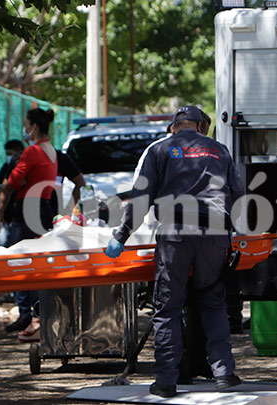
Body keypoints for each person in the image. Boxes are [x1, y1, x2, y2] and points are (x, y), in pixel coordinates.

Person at [105, 106, 245, 398]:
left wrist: (121, 235)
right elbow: (238, 194)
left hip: (176, 233)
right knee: (212, 301)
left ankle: (166, 380)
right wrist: (235, 229)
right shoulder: (219, 150)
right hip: (215, 234)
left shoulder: (160, 150)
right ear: (199, 125)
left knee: (168, 307)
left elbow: (141, 197)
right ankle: (224, 373)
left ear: (175, 126)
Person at [0, 108, 58, 334]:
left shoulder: (32, 151)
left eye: (27, 124)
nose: (25, 128)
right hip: (44, 208)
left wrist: (3, 206)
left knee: (20, 259)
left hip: (28, 208)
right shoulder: (51, 150)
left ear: (33, 126)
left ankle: (26, 313)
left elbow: (12, 182)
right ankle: (39, 312)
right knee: (40, 261)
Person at [0, 140, 25, 248]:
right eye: (7, 154)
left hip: (19, 217)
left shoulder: (24, 168)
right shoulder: (5, 168)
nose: (8, 157)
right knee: (0, 247)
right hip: (5, 216)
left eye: (11, 154)